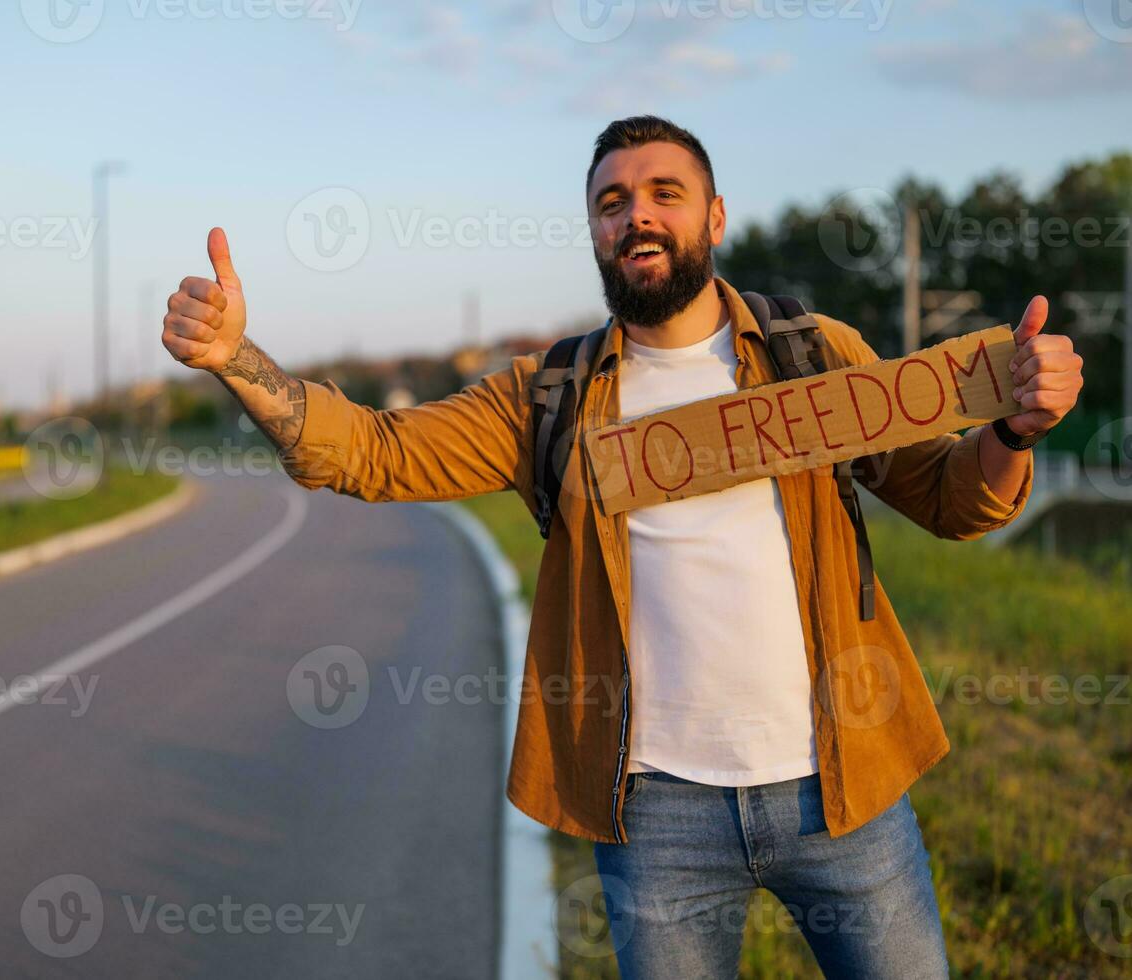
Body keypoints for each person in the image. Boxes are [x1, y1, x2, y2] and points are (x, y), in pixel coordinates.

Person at [160, 116, 1084, 979]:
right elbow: (372, 453)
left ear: (714, 216)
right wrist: (240, 360)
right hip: (656, 815)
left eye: (664, 192)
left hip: (848, 789)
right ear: (596, 233)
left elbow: (950, 499)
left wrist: (1015, 432)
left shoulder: (812, 351)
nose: (636, 213)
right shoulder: (547, 396)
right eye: (611, 202)